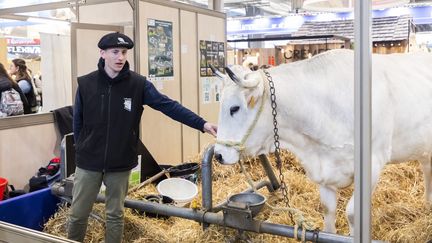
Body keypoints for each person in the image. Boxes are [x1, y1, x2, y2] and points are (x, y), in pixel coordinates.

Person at [68, 32, 217, 243]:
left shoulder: (138, 84)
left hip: (120, 161)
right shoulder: (86, 84)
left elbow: (169, 106)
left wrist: (202, 124)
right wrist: (81, 147)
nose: (120, 57)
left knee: (115, 215)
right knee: (78, 214)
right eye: (115, 52)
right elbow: (78, 120)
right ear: (102, 53)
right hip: (88, 162)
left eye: (124, 52)